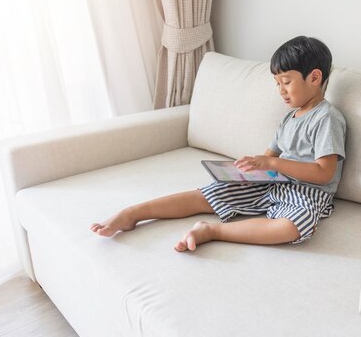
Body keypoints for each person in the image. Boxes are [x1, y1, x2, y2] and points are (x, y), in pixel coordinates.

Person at [90, 36, 347, 252]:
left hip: (308, 192)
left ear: (314, 77)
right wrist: (251, 168)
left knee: (291, 227)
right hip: (273, 181)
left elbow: (324, 173)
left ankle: (211, 231)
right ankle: (133, 213)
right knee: (211, 193)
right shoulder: (290, 118)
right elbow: (270, 155)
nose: (281, 90)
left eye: (287, 82)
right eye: (277, 83)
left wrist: (271, 162)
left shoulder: (327, 118)